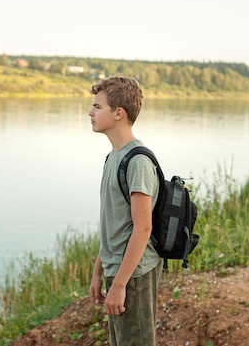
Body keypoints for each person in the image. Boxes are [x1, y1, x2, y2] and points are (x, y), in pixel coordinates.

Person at [88, 76, 162, 346]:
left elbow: (143, 229)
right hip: (117, 271)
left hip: (134, 274)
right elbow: (115, 225)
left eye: (97, 107)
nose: (90, 112)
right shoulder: (113, 157)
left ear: (119, 113)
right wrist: (98, 272)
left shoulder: (138, 161)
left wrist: (119, 285)